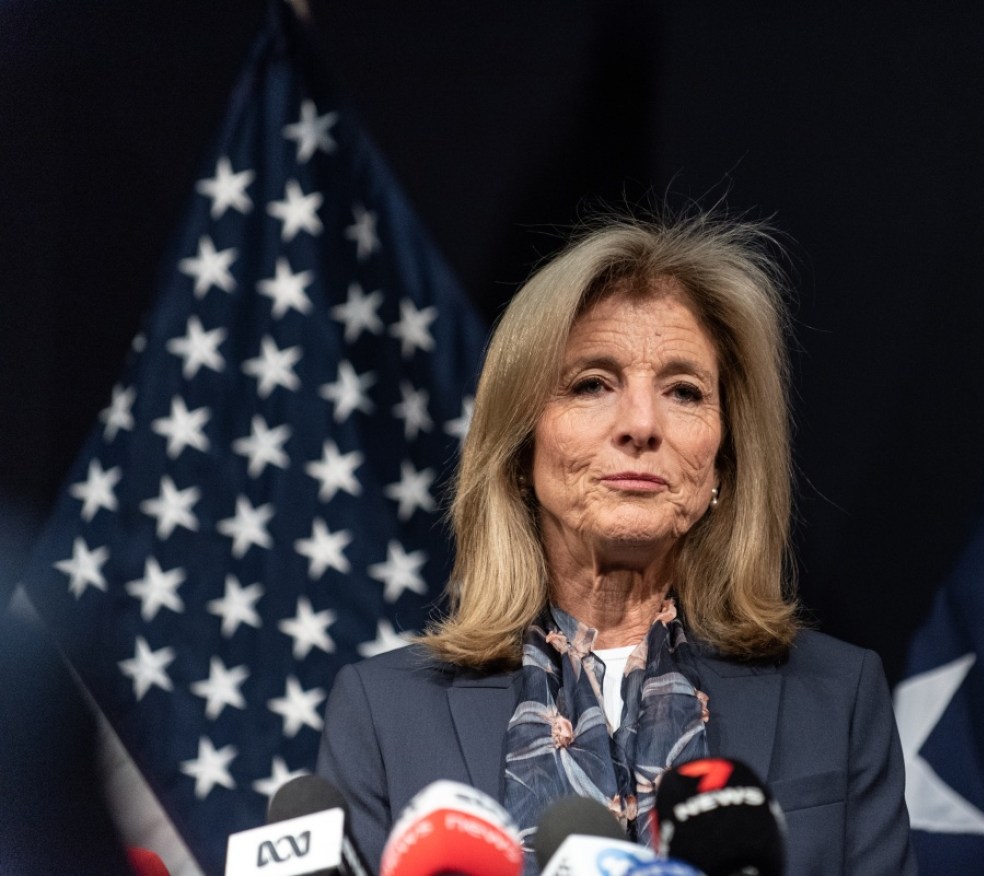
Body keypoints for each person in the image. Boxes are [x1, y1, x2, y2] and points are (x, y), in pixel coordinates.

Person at [317, 212, 916, 875]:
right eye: (592, 384)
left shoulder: (835, 697)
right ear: (521, 446)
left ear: (722, 459)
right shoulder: (385, 711)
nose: (640, 424)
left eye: (683, 391)